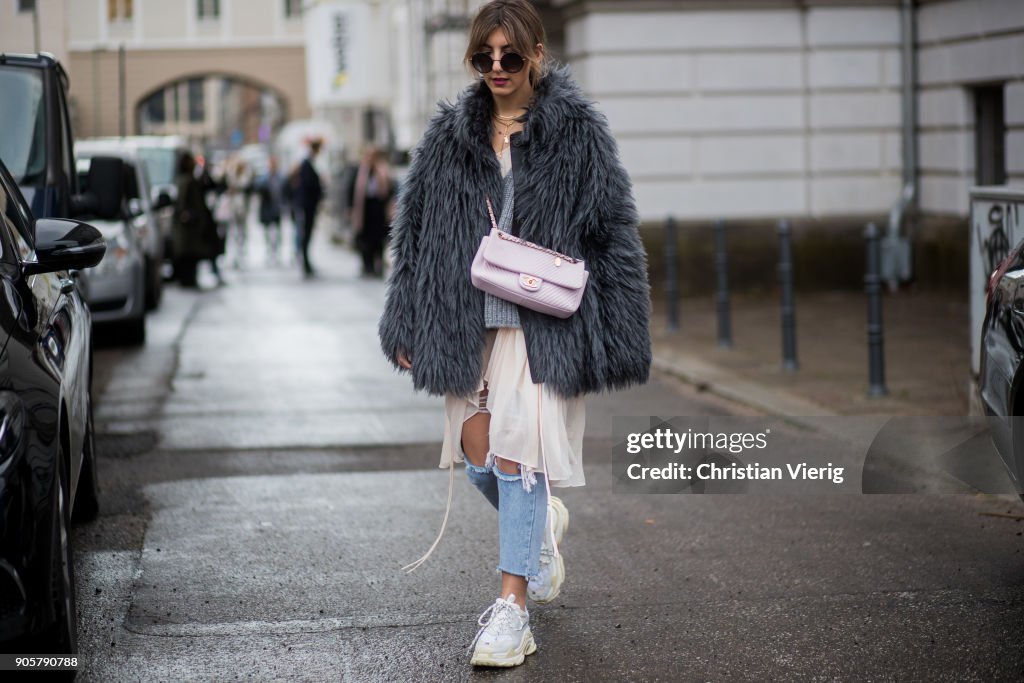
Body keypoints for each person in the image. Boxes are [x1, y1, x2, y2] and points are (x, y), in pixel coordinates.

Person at [377, 0, 651, 669]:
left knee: (516, 457)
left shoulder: (575, 131)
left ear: (536, 54)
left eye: (510, 55)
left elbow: (614, 228)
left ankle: (512, 610)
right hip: (465, 321)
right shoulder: (449, 137)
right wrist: (404, 316)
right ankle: (541, 532)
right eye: (484, 56)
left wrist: (619, 325)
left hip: (539, 327)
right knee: (478, 456)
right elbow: (412, 235)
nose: (497, 68)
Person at [173, 152, 222, 288]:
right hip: (191, 228)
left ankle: (208, 275)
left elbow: (211, 186)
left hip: (197, 226)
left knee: (203, 252)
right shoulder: (186, 181)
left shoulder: (193, 180)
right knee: (192, 255)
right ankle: (190, 279)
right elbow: (183, 204)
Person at [348, 145, 394, 277]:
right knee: (365, 240)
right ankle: (367, 265)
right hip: (364, 211)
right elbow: (351, 190)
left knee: (378, 240)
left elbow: (390, 191)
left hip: (378, 210)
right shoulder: (360, 171)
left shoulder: (383, 171)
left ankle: (378, 265)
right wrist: (350, 208)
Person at [297, 139, 324, 277]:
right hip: (308, 205)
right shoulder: (307, 164)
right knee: (306, 233)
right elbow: (308, 184)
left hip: (309, 205)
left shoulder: (309, 163)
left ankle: (306, 261)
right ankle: (305, 262)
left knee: (307, 234)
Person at [257, 156, 286, 265]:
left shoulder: (280, 177)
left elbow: (284, 191)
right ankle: (269, 252)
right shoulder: (264, 177)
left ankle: (276, 253)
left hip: (276, 209)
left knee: (277, 233)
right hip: (267, 209)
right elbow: (258, 187)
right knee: (267, 233)